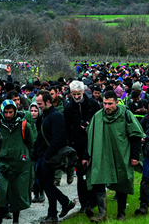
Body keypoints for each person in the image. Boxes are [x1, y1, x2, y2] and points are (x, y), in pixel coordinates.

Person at [83, 90, 145, 222]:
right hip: (102, 154)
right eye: (105, 103)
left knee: (122, 181)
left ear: (116, 102)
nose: (107, 107)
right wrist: (85, 156)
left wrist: (134, 156)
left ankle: (121, 214)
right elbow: (90, 138)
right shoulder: (97, 117)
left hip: (121, 153)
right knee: (98, 180)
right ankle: (102, 214)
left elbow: (135, 136)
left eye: (110, 104)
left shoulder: (126, 114)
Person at [31, 90, 75, 223]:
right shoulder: (45, 115)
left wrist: (47, 156)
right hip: (43, 155)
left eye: (40, 103)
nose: (38, 106)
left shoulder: (55, 116)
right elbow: (41, 136)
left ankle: (53, 214)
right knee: (46, 185)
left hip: (49, 156)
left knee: (48, 186)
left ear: (48, 101)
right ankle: (64, 203)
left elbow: (58, 139)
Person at [0, 100, 35, 224]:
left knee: (17, 193)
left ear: (15, 111)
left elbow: (30, 143)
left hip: (18, 164)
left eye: (11, 112)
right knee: (1, 193)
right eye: (6, 112)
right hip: (1, 163)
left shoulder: (24, 125)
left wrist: (27, 159)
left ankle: (16, 221)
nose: (8, 115)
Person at [63, 81, 100, 216]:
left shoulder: (92, 104)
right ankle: (84, 203)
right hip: (77, 144)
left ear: (83, 92)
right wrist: (71, 149)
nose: (76, 97)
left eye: (78, 94)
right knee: (81, 176)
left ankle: (93, 200)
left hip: (92, 142)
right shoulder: (69, 107)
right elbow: (66, 129)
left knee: (93, 174)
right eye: (74, 94)